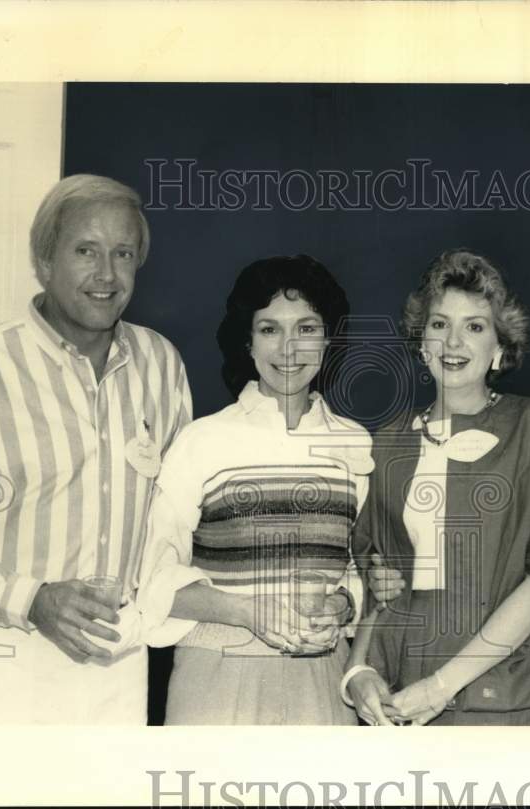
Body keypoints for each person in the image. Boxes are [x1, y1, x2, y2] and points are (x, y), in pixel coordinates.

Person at [0, 174, 193, 724]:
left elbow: (175, 521)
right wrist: (30, 599)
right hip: (5, 668)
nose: (106, 274)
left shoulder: (161, 365)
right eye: (86, 251)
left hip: (119, 669)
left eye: (123, 253)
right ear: (45, 261)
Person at [343, 249, 530, 726]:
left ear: (500, 346)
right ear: (421, 340)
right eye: (439, 324)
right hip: (401, 699)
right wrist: (359, 672)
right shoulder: (389, 441)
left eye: (475, 326)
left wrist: (441, 687)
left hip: (502, 699)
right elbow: (379, 583)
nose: (453, 341)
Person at [136, 254, 372, 725]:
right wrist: (246, 611)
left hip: (323, 678)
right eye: (269, 329)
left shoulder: (356, 443)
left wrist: (343, 603)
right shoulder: (201, 441)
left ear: (328, 339)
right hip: (218, 680)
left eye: (306, 328)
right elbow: (152, 582)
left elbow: (362, 569)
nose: (288, 347)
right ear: (247, 341)